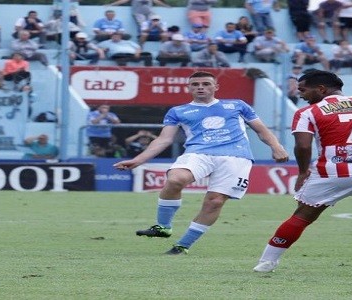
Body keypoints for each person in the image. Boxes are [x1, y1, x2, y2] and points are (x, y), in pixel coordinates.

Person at [114, 71, 289, 255]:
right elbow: (163, 140)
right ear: (189, 88)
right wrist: (138, 160)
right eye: (195, 84)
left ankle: (182, 246)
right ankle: (163, 227)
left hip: (236, 156)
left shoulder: (237, 105)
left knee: (214, 202)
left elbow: (261, 129)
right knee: (175, 179)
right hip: (198, 153)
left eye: (206, 84)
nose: (200, 87)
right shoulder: (178, 111)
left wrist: (276, 146)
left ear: (215, 87)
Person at [253, 70, 352, 272]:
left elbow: (303, 146)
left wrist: (302, 173)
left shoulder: (307, 112)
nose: (301, 95)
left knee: (302, 216)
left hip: (332, 173)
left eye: (303, 90)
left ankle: (267, 262)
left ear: (321, 89)